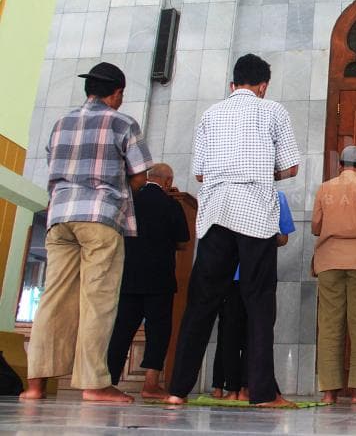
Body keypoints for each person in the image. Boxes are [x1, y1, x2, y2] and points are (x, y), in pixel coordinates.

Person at [166, 53, 300, 408]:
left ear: (232, 85)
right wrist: (260, 171)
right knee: (259, 304)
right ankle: (261, 393)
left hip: (214, 213)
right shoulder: (273, 111)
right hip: (255, 214)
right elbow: (291, 167)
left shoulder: (210, 114)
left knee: (201, 303)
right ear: (263, 86)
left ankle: (178, 390)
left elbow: (198, 174)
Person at [20, 62, 152, 403]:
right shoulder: (123, 123)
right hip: (100, 218)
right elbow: (140, 176)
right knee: (99, 300)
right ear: (118, 93)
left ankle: (35, 383)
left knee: (52, 298)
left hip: (60, 216)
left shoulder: (61, 123)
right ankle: (93, 383)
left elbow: (54, 165)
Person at [106, 163, 190, 399]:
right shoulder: (171, 204)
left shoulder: (129, 201)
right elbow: (184, 242)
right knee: (158, 330)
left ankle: (109, 381)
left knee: (122, 329)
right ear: (167, 181)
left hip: (129, 276)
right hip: (159, 277)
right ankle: (150, 384)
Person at [311, 145, 356, 405]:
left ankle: (329, 391)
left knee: (330, 324)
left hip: (330, 260)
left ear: (340, 165)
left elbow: (316, 227)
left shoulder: (325, 188)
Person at [221, 190, 295, 402]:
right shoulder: (277, 196)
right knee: (259, 330)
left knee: (231, 331)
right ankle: (248, 387)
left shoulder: (232, 193)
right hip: (261, 273)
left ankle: (232, 389)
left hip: (232, 273)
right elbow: (282, 238)